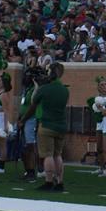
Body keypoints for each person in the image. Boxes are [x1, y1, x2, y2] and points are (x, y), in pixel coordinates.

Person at [34, 61, 70, 190]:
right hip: (61, 125)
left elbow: (34, 100)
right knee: (58, 154)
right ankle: (60, 182)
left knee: (47, 155)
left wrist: (38, 86)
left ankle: (48, 181)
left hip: (47, 124)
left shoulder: (45, 89)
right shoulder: (65, 90)